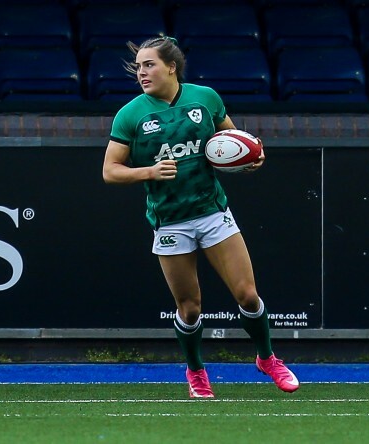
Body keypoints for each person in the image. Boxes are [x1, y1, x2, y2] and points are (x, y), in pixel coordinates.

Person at [102, 36, 299, 398]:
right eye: (139, 66)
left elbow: (233, 140)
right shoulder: (130, 113)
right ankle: (195, 371)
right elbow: (110, 171)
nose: (142, 72)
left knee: (247, 294)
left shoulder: (205, 98)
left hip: (212, 212)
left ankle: (267, 358)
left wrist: (252, 157)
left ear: (171, 67)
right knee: (190, 309)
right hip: (170, 221)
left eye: (150, 64)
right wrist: (148, 172)